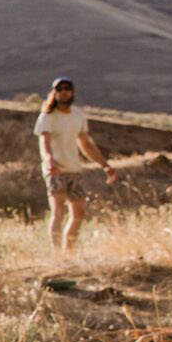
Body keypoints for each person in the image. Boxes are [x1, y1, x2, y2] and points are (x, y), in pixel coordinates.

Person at [34, 76, 115, 255]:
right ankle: (56, 255)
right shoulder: (47, 116)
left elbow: (86, 144)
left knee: (79, 213)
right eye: (59, 89)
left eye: (67, 88)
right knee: (58, 212)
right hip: (55, 170)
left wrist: (104, 165)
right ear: (54, 93)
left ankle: (68, 251)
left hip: (74, 170)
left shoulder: (78, 116)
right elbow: (44, 141)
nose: (63, 92)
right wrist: (49, 160)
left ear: (72, 91)